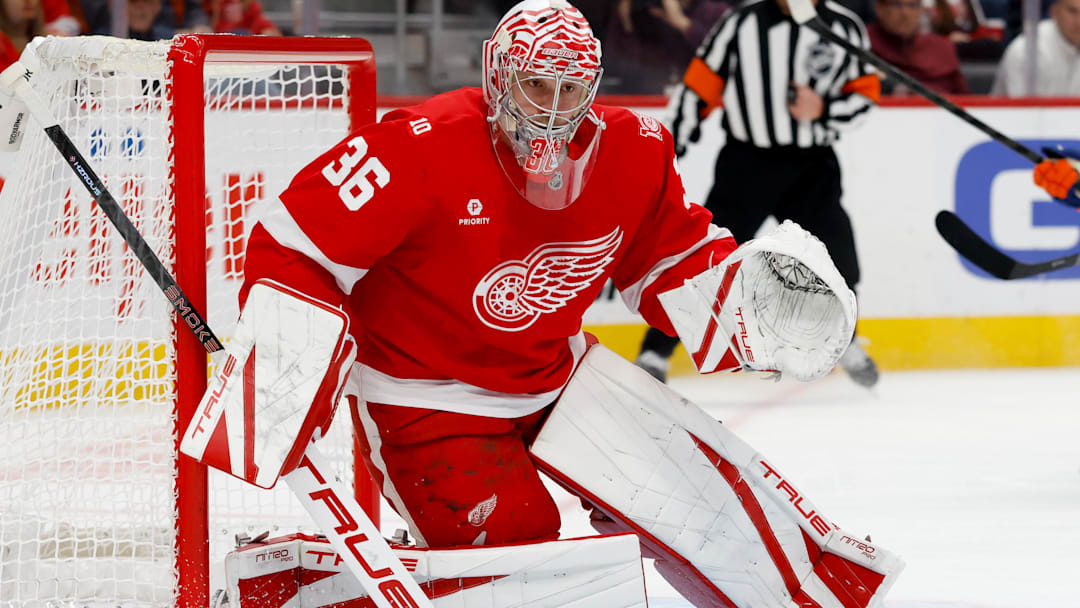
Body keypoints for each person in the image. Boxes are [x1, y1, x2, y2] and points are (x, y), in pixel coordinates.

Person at [197, 1, 900, 605]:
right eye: (536, 85)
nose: (554, 111)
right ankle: (298, 588)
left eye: (572, 89)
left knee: (698, 500)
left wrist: (743, 301)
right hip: (428, 399)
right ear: (498, 75)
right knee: (530, 566)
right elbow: (296, 240)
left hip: (555, 376)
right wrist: (285, 358)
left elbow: (669, 258)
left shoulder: (632, 151)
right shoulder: (419, 146)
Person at [634, 0, 882, 387]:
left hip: (812, 167)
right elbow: (699, 87)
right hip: (747, 165)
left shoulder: (844, 27)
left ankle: (844, 341)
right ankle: (656, 350)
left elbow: (866, 94)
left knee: (839, 258)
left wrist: (823, 109)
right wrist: (668, 151)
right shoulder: (739, 24)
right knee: (707, 264)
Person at [603, 0, 731, 93]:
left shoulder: (716, 12)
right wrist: (626, 23)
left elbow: (724, 57)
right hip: (649, 98)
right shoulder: (643, 14)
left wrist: (684, 25)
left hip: (700, 96)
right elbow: (616, 65)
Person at [869, 0, 970, 94]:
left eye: (912, 5)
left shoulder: (941, 47)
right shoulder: (866, 44)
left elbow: (965, 98)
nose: (905, 13)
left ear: (921, 9)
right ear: (879, 8)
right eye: (897, 5)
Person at [991, 0, 1080, 95]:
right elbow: (1022, 104)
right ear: (1055, 12)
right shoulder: (1025, 51)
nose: (1079, 21)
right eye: (1072, 11)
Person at [207, 0, 280, 35]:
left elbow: (262, 24)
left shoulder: (252, 7)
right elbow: (214, 25)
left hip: (247, 36)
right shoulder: (219, 5)